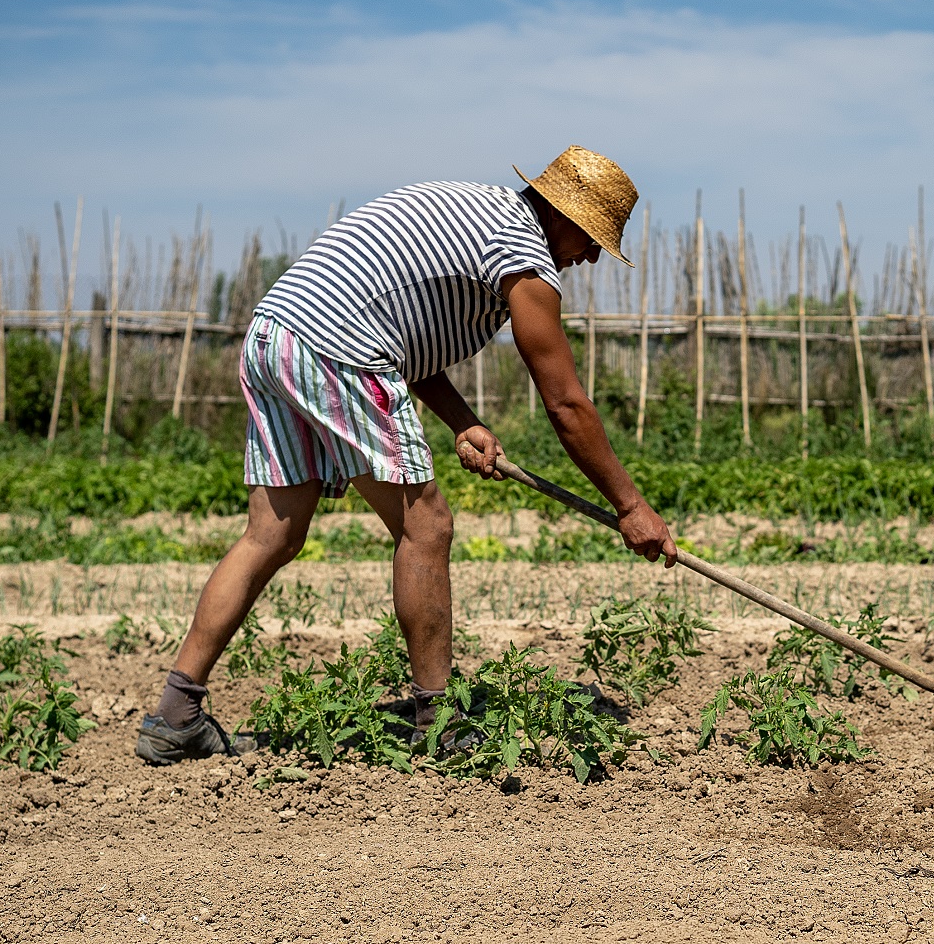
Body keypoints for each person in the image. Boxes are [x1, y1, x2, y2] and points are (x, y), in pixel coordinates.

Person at [136, 146, 678, 765]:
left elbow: (404, 333)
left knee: (271, 534)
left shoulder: (482, 218)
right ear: (566, 218)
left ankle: (175, 715)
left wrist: (465, 423)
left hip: (275, 336)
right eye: (591, 242)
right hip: (337, 344)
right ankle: (437, 721)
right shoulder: (526, 255)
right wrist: (631, 505)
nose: (586, 258)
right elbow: (565, 404)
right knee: (427, 526)